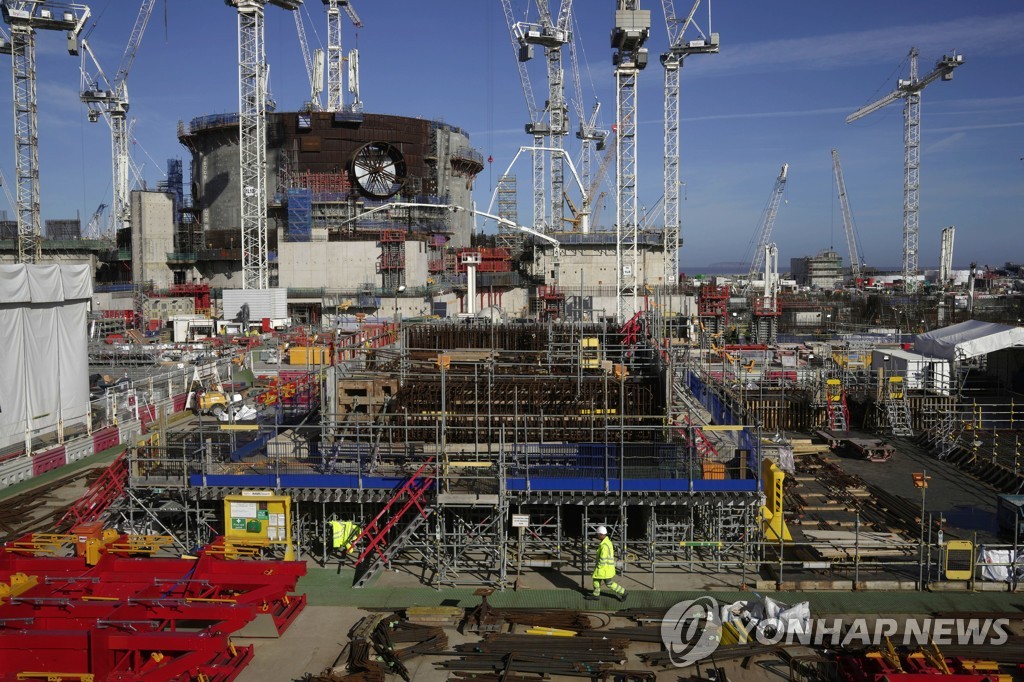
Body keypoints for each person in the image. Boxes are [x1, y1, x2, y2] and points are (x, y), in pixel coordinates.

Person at [585, 526, 627, 601]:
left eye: (597, 534)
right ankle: (596, 594)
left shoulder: (604, 545)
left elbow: (603, 559)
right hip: (607, 568)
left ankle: (623, 592)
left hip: (604, 568)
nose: (597, 536)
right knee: (600, 581)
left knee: (607, 583)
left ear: (601, 534)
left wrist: (598, 567)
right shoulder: (608, 542)